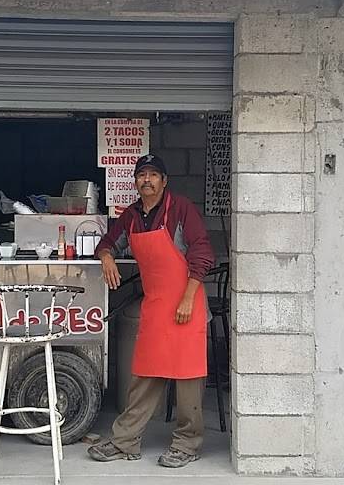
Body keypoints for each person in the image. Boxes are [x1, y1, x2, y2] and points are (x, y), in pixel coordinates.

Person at [87, 153, 214, 468]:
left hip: (188, 302)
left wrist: (187, 298)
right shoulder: (130, 216)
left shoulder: (181, 209)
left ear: (164, 180)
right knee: (144, 376)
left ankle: (187, 444)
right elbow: (109, 241)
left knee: (187, 381)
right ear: (135, 182)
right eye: (142, 175)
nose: (147, 180)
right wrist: (106, 257)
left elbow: (203, 253)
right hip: (156, 306)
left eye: (154, 174)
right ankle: (125, 441)